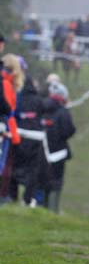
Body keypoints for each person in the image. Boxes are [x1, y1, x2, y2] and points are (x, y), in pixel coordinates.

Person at [41, 83, 75, 213]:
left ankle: (42, 208)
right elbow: (69, 130)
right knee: (56, 181)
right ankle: (53, 209)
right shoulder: (63, 111)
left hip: (42, 150)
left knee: (44, 179)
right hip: (59, 152)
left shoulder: (42, 107)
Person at [10, 75, 43, 205]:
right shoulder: (39, 100)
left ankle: (12, 196)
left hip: (19, 135)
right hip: (35, 137)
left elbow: (14, 113)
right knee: (32, 169)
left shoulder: (19, 98)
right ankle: (27, 198)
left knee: (15, 165)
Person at [0, 54, 24, 202]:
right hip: (5, 129)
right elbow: (9, 111)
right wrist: (13, 134)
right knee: (3, 165)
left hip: (7, 127)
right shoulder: (7, 85)